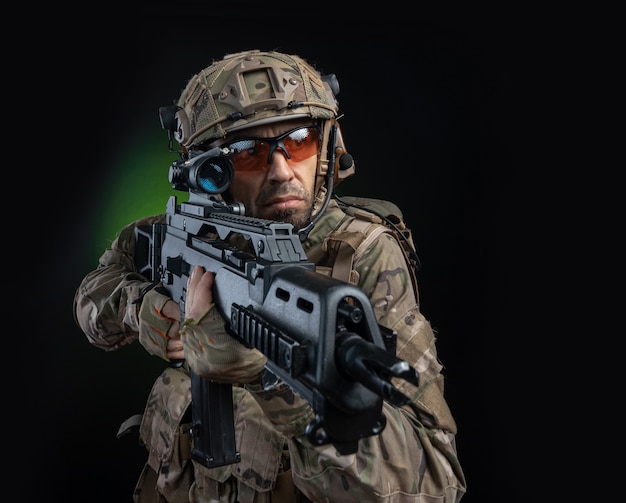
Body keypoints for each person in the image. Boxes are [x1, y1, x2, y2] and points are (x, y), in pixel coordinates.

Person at [73, 49, 467, 502]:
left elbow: (435, 485)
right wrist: (147, 313)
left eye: (299, 141)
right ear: (207, 169)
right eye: (247, 153)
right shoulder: (176, 230)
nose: (281, 172)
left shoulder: (363, 254)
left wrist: (279, 384)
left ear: (328, 149)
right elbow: (91, 299)